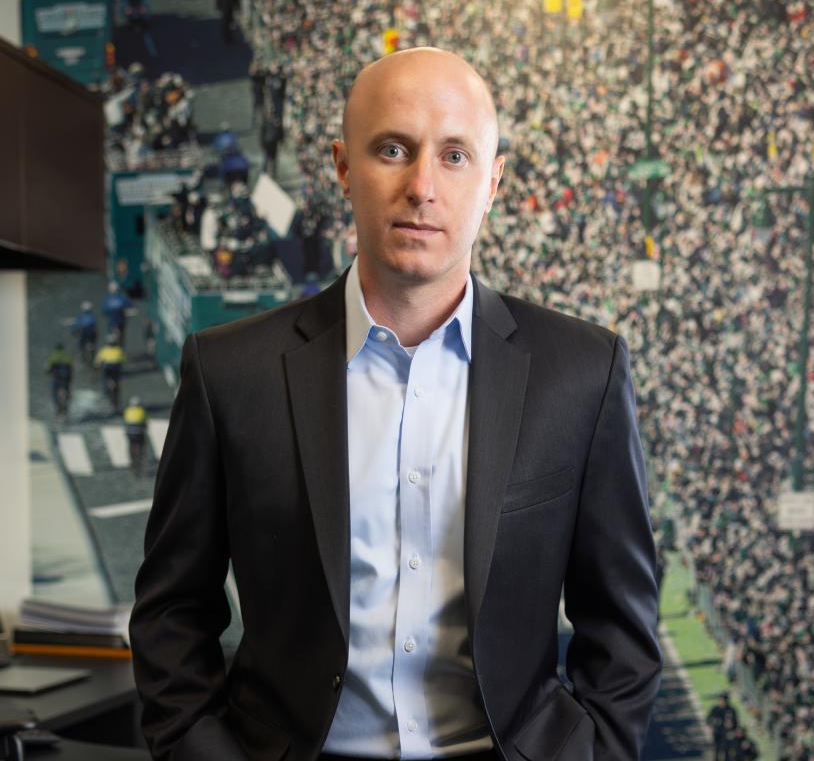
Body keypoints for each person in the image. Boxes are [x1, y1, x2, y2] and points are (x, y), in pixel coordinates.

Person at [130, 47, 662, 761]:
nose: (422, 187)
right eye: (392, 150)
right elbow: (171, 609)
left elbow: (623, 624)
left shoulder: (582, 372)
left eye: (454, 156)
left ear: (493, 180)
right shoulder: (230, 371)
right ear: (344, 167)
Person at [95, 333, 125, 412]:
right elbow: (124, 360)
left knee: (105, 379)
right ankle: (115, 394)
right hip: (116, 367)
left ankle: (106, 391)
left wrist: (97, 368)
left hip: (107, 367)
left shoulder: (104, 350)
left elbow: (98, 361)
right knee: (116, 382)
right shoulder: (119, 350)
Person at [44, 342, 74, 419]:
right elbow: (71, 367)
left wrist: (47, 372)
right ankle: (67, 400)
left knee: (54, 392)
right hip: (66, 377)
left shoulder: (54, 354)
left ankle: (57, 407)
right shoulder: (67, 355)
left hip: (57, 377)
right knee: (67, 389)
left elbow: (49, 366)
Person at [124, 397, 148, 478]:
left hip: (130, 433)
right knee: (142, 444)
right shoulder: (142, 411)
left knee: (131, 445)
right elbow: (145, 423)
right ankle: (141, 456)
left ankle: (131, 459)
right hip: (139, 433)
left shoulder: (128, 411)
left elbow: (126, 422)